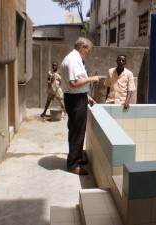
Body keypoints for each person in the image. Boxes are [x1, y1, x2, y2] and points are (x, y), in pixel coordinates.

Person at [61, 37, 99, 175]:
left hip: (77, 97)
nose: (88, 53)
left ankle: (76, 157)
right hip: (75, 100)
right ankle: (73, 164)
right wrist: (91, 79)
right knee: (77, 131)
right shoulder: (73, 59)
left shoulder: (74, 58)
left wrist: (86, 96)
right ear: (82, 47)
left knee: (77, 130)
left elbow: (75, 85)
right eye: (88, 50)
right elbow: (73, 83)